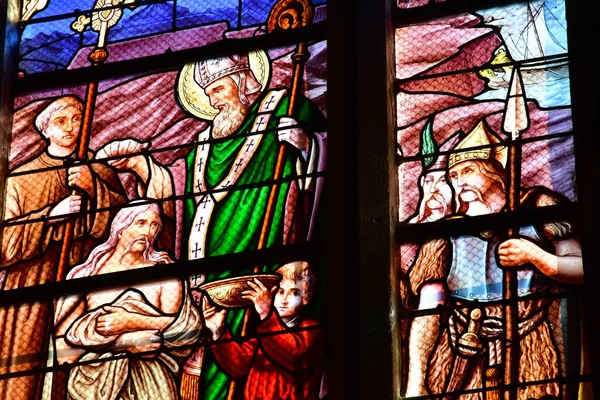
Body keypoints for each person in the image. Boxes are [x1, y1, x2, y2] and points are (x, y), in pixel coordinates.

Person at [96, 52, 327, 399]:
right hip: (207, 275)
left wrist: (305, 144)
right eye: (209, 94)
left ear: (242, 84)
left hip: (260, 260)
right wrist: (143, 167)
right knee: (214, 354)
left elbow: (331, 150)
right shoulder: (202, 145)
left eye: (219, 90)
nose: (214, 100)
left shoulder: (283, 106)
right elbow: (177, 192)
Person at [404, 120, 583, 399]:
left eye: (468, 170)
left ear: (495, 171)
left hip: (530, 349)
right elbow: (427, 313)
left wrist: (535, 255)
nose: (458, 180)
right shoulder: (445, 235)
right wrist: (415, 382)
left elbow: (582, 268)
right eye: (454, 174)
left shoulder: (538, 207)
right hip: (461, 356)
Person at [0, 95, 126, 398]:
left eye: (77, 119)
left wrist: (93, 187)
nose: (71, 127)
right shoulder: (19, 179)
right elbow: (4, 248)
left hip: (86, 280)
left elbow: (125, 223)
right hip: (33, 288)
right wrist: (49, 217)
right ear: (45, 130)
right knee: (25, 374)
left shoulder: (98, 170)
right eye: (61, 121)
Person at [53, 201, 203, 399]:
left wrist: (130, 320)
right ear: (120, 228)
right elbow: (64, 353)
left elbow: (183, 332)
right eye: (140, 223)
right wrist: (124, 342)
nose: (148, 232)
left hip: (152, 387)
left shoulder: (165, 275)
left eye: (154, 225)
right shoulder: (86, 276)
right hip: (91, 388)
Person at [203, 261, 325, 400]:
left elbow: (292, 355)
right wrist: (219, 331)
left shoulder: (312, 330)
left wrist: (266, 314)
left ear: (306, 299)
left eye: (294, 293)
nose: (284, 300)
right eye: (280, 292)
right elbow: (238, 366)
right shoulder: (265, 335)